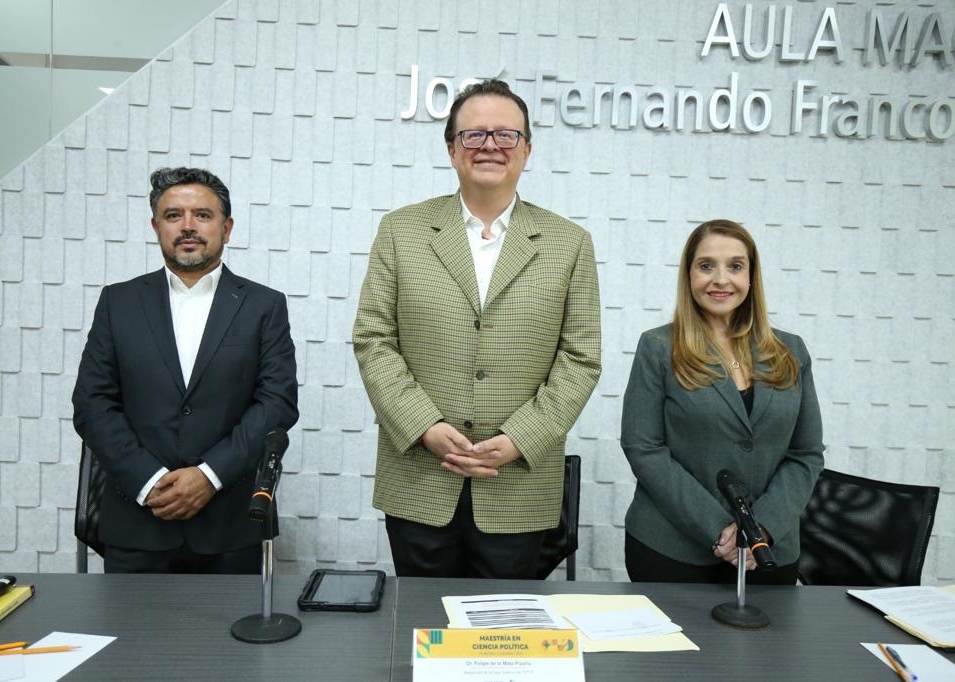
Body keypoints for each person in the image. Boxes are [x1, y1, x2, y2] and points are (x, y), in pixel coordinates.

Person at [352, 80, 602, 579]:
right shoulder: (402, 231)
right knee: (424, 633)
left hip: (518, 485)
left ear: (527, 150)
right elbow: (373, 339)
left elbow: (580, 359)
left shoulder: (568, 243)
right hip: (420, 478)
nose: (490, 145)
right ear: (451, 149)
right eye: (473, 135)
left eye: (506, 135)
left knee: (506, 637)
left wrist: (519, 438)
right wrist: (423, 426)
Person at [72, 167, 298, 574]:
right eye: (174, 215)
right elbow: (92, 403)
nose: (188, 226)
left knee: (231, 638)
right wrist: (149, 480)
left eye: (203, 215)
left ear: (226, 229)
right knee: (131, 639)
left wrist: (209, 476)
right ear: (156, 226)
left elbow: (276, 403)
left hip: (230, 525)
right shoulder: (117, 303)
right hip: (139, 522)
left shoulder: (264, 306)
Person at [620, 219, 824, 584]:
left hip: (769, 550)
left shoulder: (791, 351)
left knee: (772, 643)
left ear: (751, 276)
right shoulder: (657, 348)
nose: (720, 279)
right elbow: (643, 448)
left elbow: (805, 453)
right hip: (671, 551)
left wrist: (761, 528)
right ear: (688, 275)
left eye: (735, 266)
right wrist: (721, 530)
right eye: (706, 265)